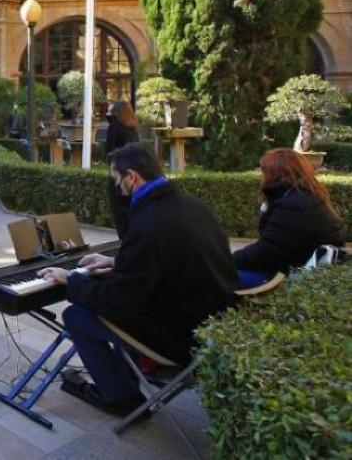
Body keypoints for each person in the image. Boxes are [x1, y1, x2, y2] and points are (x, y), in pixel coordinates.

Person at [37, 144, 238, 416]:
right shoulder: (191, 204)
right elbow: (171, 259)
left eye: (116, 180)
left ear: (132, 177)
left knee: (77, 315)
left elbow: (119, 301)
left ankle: (120, 396)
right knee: (116, 310)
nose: (117, 188)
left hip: (180, 336)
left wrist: (70, 280)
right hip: (210, 324)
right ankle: (126, 380)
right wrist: (116, 261)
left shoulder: (148, 222)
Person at [233, 148, 346, 287]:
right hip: (296, 268)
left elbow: (266, 252)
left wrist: (227, 259)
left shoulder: (294, 205)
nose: (261, 176)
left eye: (263, 171)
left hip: (285, 276)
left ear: (274, 174)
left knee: (212, 276)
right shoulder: (306, 196)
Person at [104, 101, 141, 239]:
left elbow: (108, 152)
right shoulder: (132, 129)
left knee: (119, 213)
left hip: (118, 174)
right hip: (133, 176)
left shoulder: (114, 127)